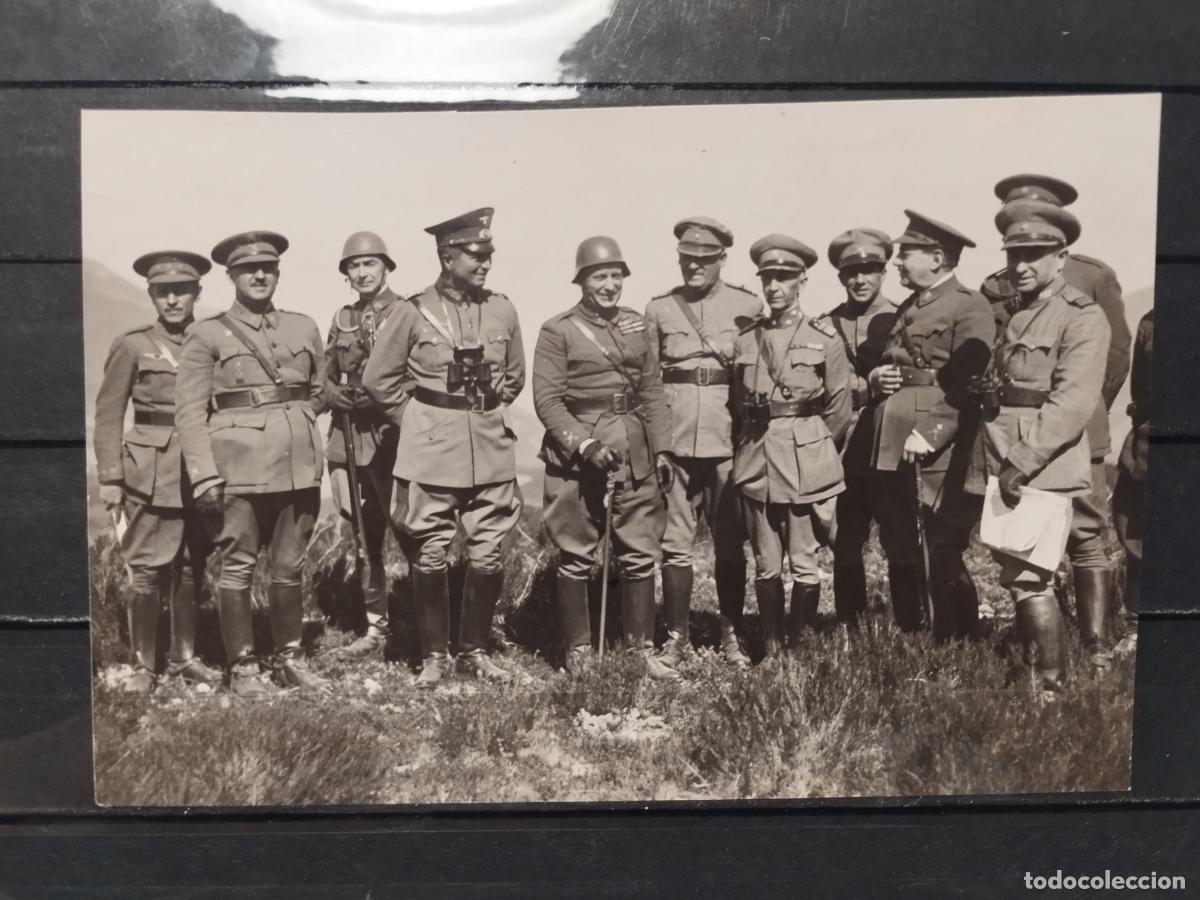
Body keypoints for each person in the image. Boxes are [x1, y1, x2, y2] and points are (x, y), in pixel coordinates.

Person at [362, 208, 525, 688]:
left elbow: (512, 379)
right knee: (429, 555)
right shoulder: (411, 312)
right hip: (431, 454)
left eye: (489, 254)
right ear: (446, 254)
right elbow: (378, 380)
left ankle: (474, 651)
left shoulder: (503, 310)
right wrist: (417, 419)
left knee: (488, 555)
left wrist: (484, 416)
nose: (485, 264)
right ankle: (434, 657)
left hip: (491, 451)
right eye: (475, 255)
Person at [980, 174, 1131, 667]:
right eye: (1013, 255)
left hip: (1045, 454)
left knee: (1041, 564)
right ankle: (1043, 670)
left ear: (1061, 257)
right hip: (1013, 450)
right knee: (1023, 568)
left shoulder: (1081, 312)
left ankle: (1057, 677)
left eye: (1034, 255)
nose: (1020, 266)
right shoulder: (1023, 311)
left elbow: (1075, 395)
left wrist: (1023, 458)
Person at [175, 231, 328, 697]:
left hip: (298, 469)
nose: (259, 275)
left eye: (268, 267)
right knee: (238, 566)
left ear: (277, 273)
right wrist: (203, 475)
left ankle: (288, 659)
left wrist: (297, 423)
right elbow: (190, 413)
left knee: (288, 567)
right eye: (248, 269)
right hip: (236, 474)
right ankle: (241, 666)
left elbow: (318, 392)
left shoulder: (303, 328)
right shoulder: (206, 334)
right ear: (231, 276)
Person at [533, 236, 677, 679]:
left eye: (616, 276)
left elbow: (651, 391)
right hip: (577, 458)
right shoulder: (558, 330)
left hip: (635, 451)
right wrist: (585, 445)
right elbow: (547, 400)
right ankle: (578, 652)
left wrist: (662, 447)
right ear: (582, 281)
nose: (610, 285)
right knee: (576, 553)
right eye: (600, 276)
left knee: (639, 552)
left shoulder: (637, 325)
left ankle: (638, 652)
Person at [93, 250, 223, 694]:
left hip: (199, 471)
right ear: (151, 296)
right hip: (149, 473)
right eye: (163, 293)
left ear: (197, 294)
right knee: (147, 571)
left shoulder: (211, 341)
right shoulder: (132, 345)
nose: (172, 301)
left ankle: (183, 657)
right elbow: (108, 415)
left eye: (181, 292)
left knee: (191, 565)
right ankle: (143, 666)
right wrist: (110, 477)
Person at [869, 211, 995, 641]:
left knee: (940, 546)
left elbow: (970, 382)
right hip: (893, 440)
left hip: (935, 445)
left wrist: (934, 433)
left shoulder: (969, 304)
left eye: (907, 253)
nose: (898, 262)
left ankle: (960, 639)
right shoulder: (910, 305)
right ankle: (912, 636)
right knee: (900, 542)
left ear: (938, 258)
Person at [643, 217, 760, 670]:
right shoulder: (659, 309)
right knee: (675, 543)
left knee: (730, 541)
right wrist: (659, 445)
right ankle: (677, 636)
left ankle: (731, 634)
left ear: (721, 260)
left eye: (704, 260)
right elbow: (648, 382)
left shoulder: (747, 306)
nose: (694, 266)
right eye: (686, 259)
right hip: (674, 440)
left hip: (727, 439)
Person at [732, 235, 851, 659]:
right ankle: (770, 649)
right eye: (768, 279)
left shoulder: (824, 337)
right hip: (757, 461)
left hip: (804, 461)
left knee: (804, 562)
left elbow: (838, 407)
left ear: (802, 280)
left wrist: (814, 448)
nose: (774, 287)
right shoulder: (747, 339)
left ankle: (798, 652)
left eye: (784, 278)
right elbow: (737, 404)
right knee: (766, 563)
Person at [825, 229, 922, 632]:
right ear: (841, 277)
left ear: (884, 272)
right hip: (845, 451)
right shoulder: (828, 325)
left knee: (900, 542)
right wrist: (865, 387)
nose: (860, 280)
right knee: (845, 542)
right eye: (851, 272)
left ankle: (911, 628)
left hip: (891, 450)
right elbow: (821, 388)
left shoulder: (907, 318)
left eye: (869, 270)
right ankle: (851, 628)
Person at [322, 231, 405, 660]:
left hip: (392, 434)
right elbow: (324, 371)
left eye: (370, 264)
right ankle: (376, 626)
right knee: (362, 534)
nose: (362, 272)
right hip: (350, 434)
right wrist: (332, 394)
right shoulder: (344, 318)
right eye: (354, 266)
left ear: (386, 267)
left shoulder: (407, 313)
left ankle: (421, 622)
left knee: (409, 529)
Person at [1113, 309, 1151, 652]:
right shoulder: (1153, 322)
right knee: (1138, 535)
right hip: (1152, 442)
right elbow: (1140, 390)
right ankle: (1138, 627)